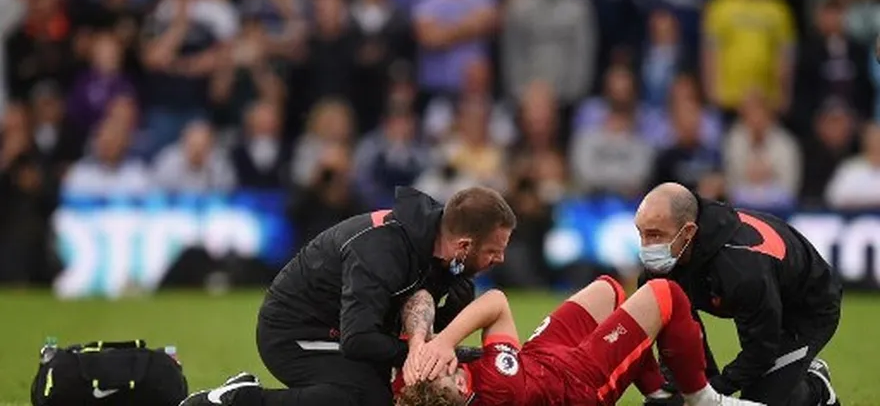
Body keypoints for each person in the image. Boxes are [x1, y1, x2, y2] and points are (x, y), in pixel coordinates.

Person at [181, 186, 517, 406]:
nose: (499, 260)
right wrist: (421, 355)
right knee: (365, 400)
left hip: (345, 329)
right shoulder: (382, 252)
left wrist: (442, 349)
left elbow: (426, 325)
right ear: (464, 245)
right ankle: (239, 399)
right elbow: (359, 340)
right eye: (493, 251)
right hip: (295, 333)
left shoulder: (445, 258)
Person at [394, 277, 765, 406]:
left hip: (540, 361)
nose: (436, 363)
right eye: (440, 369)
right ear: (459, 385)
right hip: (578, 383)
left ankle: (657, 395)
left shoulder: (431, 391)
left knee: (609, 290)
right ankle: (701, 397)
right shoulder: (497, 387)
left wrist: (419, 345)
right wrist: (443, 340)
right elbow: (497, 303)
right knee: (664, 294)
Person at [634, 182, 842, 406]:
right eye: (641, 234)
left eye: (655, 235)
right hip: (760, 293)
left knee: (759, 401)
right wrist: (690, 388)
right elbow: (677, 336)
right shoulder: (661, 267)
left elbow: (761, 348)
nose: (646, 247)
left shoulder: (742, 268)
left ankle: (816, 388)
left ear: (688, 232)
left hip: (808, 306)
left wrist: (714, 391)